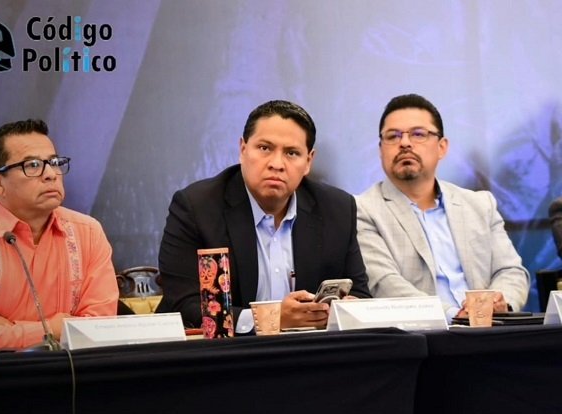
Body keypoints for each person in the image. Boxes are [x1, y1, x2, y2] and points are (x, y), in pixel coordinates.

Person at [155, 100, 370, 333]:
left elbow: (359, 293)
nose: (277, 164)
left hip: (309, 350)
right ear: (243, 149)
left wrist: (346, 309)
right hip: (228, 351)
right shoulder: (197, 207)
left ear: (308, 162)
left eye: (292, 153)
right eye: (265, 148)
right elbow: (184, 305)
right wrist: (271, 319)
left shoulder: (337, 209)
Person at [0, 119, 118, 354]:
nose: (50, 174)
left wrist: (11, 330)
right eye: (33, 165)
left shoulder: (88, 232)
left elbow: (100, 326)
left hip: (71, 372)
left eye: (54, 163)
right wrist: (52, 329)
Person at [356, 94, 529, 322]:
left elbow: (511, 271)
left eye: (418, 134)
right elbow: (384, 283)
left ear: (442, 147)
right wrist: (454, 315)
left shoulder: (480, 204)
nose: (404, 143)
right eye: (393, 136)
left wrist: (500, 300)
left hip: (489, 329)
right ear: (380, 150)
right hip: (425, 335)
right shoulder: (362, 210)